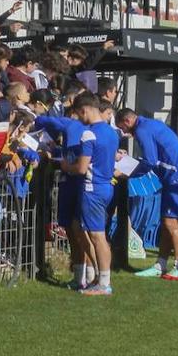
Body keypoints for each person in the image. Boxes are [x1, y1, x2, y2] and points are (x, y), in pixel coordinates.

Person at [117, 109, 178, 279]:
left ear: (127, 121)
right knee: (165, 222)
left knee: (171, 223)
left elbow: (149, 161)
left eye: (122, 128)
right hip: (173, 176)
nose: (125, 133)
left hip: (175, 177)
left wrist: (125, 171)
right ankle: (161, 264)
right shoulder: (150, 124)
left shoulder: (142, 130)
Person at [65, 93, 119, 296]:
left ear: (84, 110)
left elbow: (81, 168)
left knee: (97, 235)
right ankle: (96, 276)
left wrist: (65, 165)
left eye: (79, 114)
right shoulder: (111, 132)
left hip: (92, 187)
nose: (79, 119)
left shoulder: (88, 134)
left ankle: (104, 283)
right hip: (105, 186)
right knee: (79, 227)